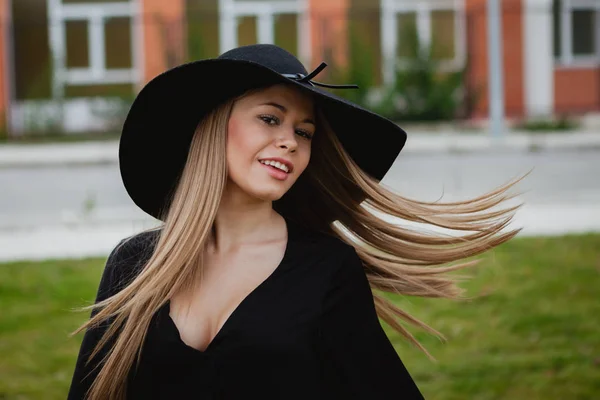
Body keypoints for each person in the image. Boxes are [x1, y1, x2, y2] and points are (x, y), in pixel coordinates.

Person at [67, 44, 522, 400]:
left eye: (304, 132)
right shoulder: (134, 264)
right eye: (270, 118)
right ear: (212, 125)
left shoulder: (326, 271)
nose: (289, 142)